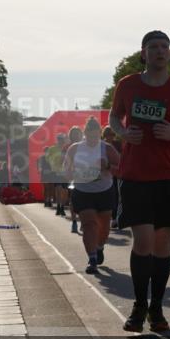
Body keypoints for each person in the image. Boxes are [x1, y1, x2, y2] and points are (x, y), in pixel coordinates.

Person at [109, 30, 170, 333]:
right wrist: (122, 133)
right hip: (134, 174)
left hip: (166, 175)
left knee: (163, 244)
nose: (160, 51)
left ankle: (156, 306)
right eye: (153, 47)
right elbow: (113, 118)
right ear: (143, 53)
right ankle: (138, 305)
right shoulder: (128, 85)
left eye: (164, 46)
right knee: (144, 240)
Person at [63, 117, 120, 273]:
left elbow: (122, 169)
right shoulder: (74, 149)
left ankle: (100, 247)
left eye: (96, 136)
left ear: (99, 135)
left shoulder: (107, 148)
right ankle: (92, 258)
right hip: (83, 192)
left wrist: (107, 166)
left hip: (105, 191)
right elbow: (66, 172)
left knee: (104, 227)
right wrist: (73, 173)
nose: (93, 140)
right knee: (89, 224)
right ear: (85, 133)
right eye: (90, 136)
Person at [44, 133, 68, 216]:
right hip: (56, 171)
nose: (61, 141)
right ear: (57, 140)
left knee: (64, 190)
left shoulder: (66, 148)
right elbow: (46, 158)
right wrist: (52, 162)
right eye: (60, 139)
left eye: (62, 139)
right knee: (58, 189)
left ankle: (62, 206)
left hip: (65, 172)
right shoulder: (52, 149)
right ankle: (59, 207)